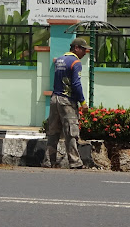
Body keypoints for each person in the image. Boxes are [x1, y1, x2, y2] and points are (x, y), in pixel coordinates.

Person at [43, 37, 90, 169]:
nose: (85, 53)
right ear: (76, 48)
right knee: (71, 132)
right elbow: (76, 84)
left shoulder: (59, 60)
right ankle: (75, 162)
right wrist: (83, 102)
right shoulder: (75, 62)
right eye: (83, 49)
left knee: (53, 132)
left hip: (54, 99)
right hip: (67, 101)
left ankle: (49, 161)